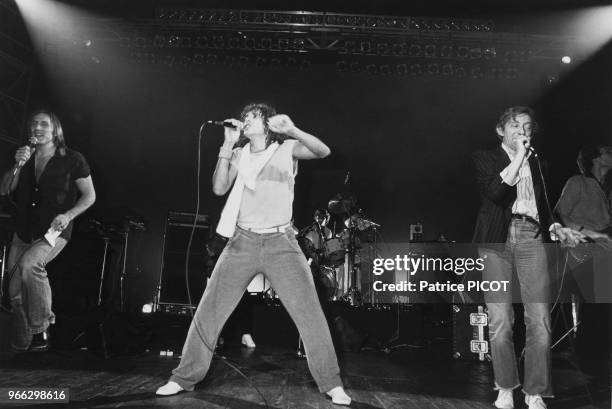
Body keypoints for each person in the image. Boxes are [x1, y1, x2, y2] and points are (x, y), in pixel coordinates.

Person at [156, 103, 351, 405]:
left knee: (309, 314)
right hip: (241, 242)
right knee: (209, 311)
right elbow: (219, 188)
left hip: (281, 244)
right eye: (244, 117)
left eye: (253, 117)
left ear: (268, 124)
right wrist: (227, 144)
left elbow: (323, 151)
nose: (246, 120)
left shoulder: (286, 148)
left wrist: (292, 129)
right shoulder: (240, 154)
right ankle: (182, 377)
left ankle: (331, 383)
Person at [471, 106, 582, 409]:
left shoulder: (539, 164)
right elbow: (496, 193)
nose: (523, 132)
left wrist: (554, 225)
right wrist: (519, 156)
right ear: (501, 131)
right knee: (500, 320)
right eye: (516, 126)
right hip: (497, 242)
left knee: (540, 320)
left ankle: (535, 391)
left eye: (528, 128)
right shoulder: (485, 158)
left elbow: (543, 205)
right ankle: (505, 386)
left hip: (532, 237)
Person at [0, 109, 96, 352]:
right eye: (34, 124)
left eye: (44, 124)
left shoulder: (73, 159)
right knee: (13, 292)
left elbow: (89, 195)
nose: (37, 128)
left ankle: (41, 328)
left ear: (56, 130)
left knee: (31, 264)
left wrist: (68, 214)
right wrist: (18, 164)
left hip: (54, 230)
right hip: (23, 229)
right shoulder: (25, 156)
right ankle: (24, 345)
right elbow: (5, 189)